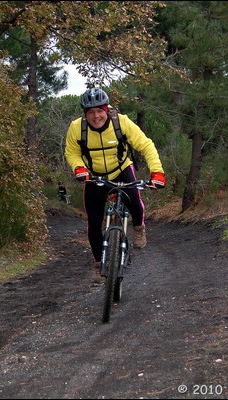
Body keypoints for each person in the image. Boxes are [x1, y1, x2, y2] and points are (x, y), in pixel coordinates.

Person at [64, 87, 166, 283]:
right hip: (94, 176)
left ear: (106, 109)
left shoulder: (122, 122)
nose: (96, 116)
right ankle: (97, 264)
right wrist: (79, 168)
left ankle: (138, 227)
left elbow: (146, 145)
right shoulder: (77, 128)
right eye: (91, 112)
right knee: (93, 221)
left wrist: (157, 172)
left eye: (99, 111)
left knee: (134, 202)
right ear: (85, 114)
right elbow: (72, 152)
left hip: (121, 169)